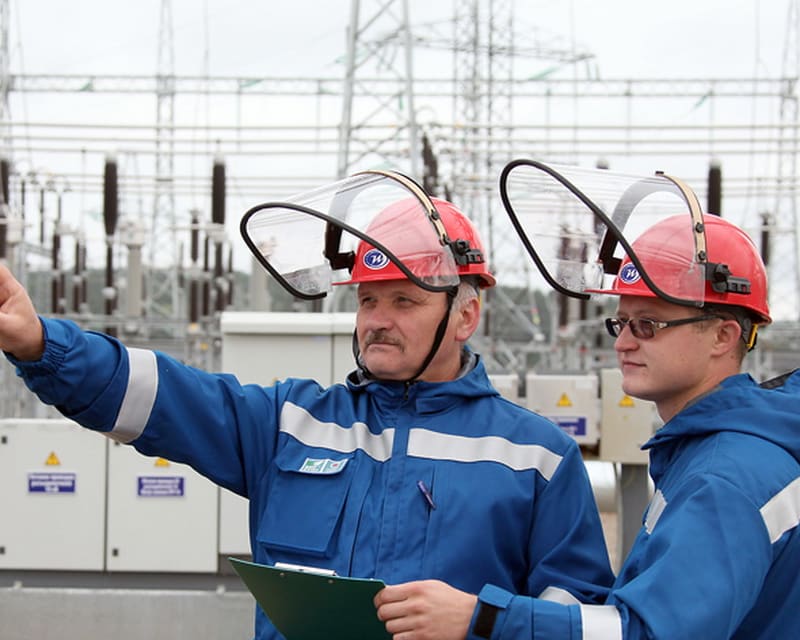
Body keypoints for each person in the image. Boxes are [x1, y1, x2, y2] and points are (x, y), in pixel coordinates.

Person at [0, 181, 614, 640]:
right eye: (368, 300)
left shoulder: (538, 457)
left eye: (403, 301)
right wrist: (40, 344)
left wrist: (481, 621)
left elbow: (577, 613)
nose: (377, 321)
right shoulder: (291, 423)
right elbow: (160, 395)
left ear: (465, 315)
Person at [376, 212, 800, 639]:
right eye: (621, 323)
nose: (623, 343)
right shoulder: (718, 455)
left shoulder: (724, 479)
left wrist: (481, 619)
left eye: (648, 326)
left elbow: (647, 633)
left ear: (723, 337)